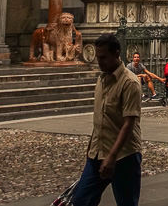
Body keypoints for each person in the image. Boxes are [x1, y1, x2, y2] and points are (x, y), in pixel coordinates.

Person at [71, 33, 141, 206]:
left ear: (116, 53)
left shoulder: (130, 83)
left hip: (124, 156)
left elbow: (129, 124)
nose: (99, 62)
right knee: (81, 200)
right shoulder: (101, 79)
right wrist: (90, 148)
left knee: (126, 202)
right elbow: (100, 118)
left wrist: (112, 156)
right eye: (97, 57)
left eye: (103, 57)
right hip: (97, 153)